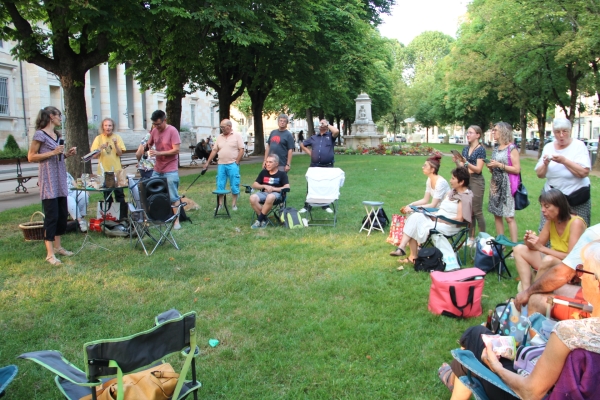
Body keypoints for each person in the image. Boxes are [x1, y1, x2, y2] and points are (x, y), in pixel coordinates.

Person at [439, 240, 600, 400]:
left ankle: (454, 374)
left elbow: (530, 393)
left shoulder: (570, 333)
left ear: (597, 283)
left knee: (475, 335)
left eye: (581, 271)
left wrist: (497, 368)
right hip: (557, 384)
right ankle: (454, 373)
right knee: (479, 352)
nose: (577, 278)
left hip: (536, 392)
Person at [27, 106, 77, 265]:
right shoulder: (39, 134)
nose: (60, 118)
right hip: (48, 181)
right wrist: (53, 153)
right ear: (50, 117)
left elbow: (58, 156)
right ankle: (49, 254)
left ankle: (58, 247)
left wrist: (66, 154)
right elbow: (31, 156)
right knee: (52, 216)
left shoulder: (57, 135)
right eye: (58, 115)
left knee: (62, 216)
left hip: (60, 180)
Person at [515, 223, 600, 315]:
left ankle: (527, 316)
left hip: (595, 308)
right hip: (593, 297)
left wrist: (528, 292)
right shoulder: (550, 223)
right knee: (554, 288)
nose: (543, 210)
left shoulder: (592, 233)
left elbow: (563, 274)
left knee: (536, 300)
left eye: (547, 207)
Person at [393, 167, 472, 265]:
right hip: (438, 218)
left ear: (461, 182)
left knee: (416, 223)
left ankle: (412, 256)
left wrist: (440, 220)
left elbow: (459, 219)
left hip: (449, 225)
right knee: (415, 216)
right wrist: (429, 213)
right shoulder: (453, 193)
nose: (450, 180)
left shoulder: (464, 197)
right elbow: (442, 210)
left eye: (453, 178)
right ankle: (403, 248)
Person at [514, 189, 586, 291]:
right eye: (542, 206)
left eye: (547, 206)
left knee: (548, 259)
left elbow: (571, 257)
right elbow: (537, 246)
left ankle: (533, 292)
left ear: (559, 206)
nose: (543, 210)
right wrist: (529, 241)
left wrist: (541, 248)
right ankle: (525, 290)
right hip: (554, 261)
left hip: (570, 266)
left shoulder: (576, 223)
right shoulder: (551, 221)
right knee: (518, 249)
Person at [535, 118, 591, 229]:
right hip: (553, 198)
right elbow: (540, 174)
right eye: (557, 132)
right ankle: (546, 246)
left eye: (564, 131)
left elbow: (584, 172)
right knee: (548, 229)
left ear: (570, 131)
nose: (561, 135)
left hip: (576, 196)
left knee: (576, 229)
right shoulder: (548, 147)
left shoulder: (578, 146)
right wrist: (545, 164)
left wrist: (564, 161)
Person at [390, 154, 450, 256]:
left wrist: (414, 208)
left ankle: (407, 246)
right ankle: (403, 247)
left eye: (425, 166)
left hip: (443, 213)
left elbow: (434, 204)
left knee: (415, 215)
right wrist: (410, 204)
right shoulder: (430, 179)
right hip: (434, 210)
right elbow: (425, 200)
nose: (423, 167)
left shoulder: (441, 182)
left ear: (432, 169)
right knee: (414, 214)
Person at [147, 110, 182, 230]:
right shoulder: (154, 131)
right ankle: (157, 217)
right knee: (151, 193)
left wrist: (159, 152)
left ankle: (177, 221)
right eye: (154, 124)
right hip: (157, 168)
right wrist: (147, 148)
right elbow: (149, 143)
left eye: (158, 124)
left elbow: (176, 150)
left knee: (173, 197)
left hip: (170, 169)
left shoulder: (172, 131)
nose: (156, 127)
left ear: (164, 120)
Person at [452, 125, 486, 246]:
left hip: (476, 181)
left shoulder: (480, 150)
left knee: (477, 211)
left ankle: (483, 239)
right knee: (469, 211)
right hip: (466, 180)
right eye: (467, 132)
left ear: (478, 135)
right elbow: (462, 169)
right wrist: (457, 161)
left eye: (471, 133)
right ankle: (471, 238)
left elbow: (478, 169)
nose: (468, 134)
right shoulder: (465, 149)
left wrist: (467, 163)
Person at [487, 122, 520, 243]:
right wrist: (491, 167)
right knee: (497, 214)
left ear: (503, 132)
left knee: (509, 217)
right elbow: (495, 168)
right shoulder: (496, 148)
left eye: (495, 130)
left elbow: (517, 169)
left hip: (507, 185)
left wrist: (499, 165)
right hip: (495, 184)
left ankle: (515, 245)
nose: (493, 132)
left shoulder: (511, 148)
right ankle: (501, 243)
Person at [298, 119, 340, 214]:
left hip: (328, 166)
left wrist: (327, 124)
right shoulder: (313, 137)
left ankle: (325, 205)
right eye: (320, 123)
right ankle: (307, 206)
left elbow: (336, 131)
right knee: (311, 186)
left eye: (323, 123)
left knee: (325, 185)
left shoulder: (331, 136)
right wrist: (310, 153)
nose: (321, 125)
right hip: (315, 165)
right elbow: (302, 145)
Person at [203, 119, 245, 211]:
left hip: (232, 164)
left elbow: (242, 149)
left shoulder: (237, 136)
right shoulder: (219, 137)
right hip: (221, 164)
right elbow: (214, 150)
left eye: (223, 127)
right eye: (221, 127)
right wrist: (207, 162)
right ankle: (220, 204)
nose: (222, 129)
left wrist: (237, 161)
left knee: (234, 184)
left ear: (229, 126)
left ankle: (234, 204)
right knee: (220, 184)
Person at [90, 118, 127, 206]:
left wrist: (115, 144)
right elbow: (94, 155)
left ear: (113, 127)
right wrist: (100, 148)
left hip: (116, 171)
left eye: (110, 125)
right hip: (104, 172)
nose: (108, 127)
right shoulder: (98, 138)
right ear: (102, 127)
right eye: (106, 125)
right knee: (107, 195)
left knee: (120, 195)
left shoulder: (117, 137)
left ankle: (122, 216)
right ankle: (111, 215)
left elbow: (120, 153)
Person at [249, 154, 290, 229]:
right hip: (264, 193)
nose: (267, 164)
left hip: (277, 195)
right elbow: (254, 184)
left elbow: (287, 187)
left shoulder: (282, 174)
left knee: (270, 196)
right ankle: (264, 219)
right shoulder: (263, 172)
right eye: (267, 162)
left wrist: (273, 189)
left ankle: (259, 220)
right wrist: (264, 186)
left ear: (276, 164)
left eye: (270, 162)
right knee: (252, 198)